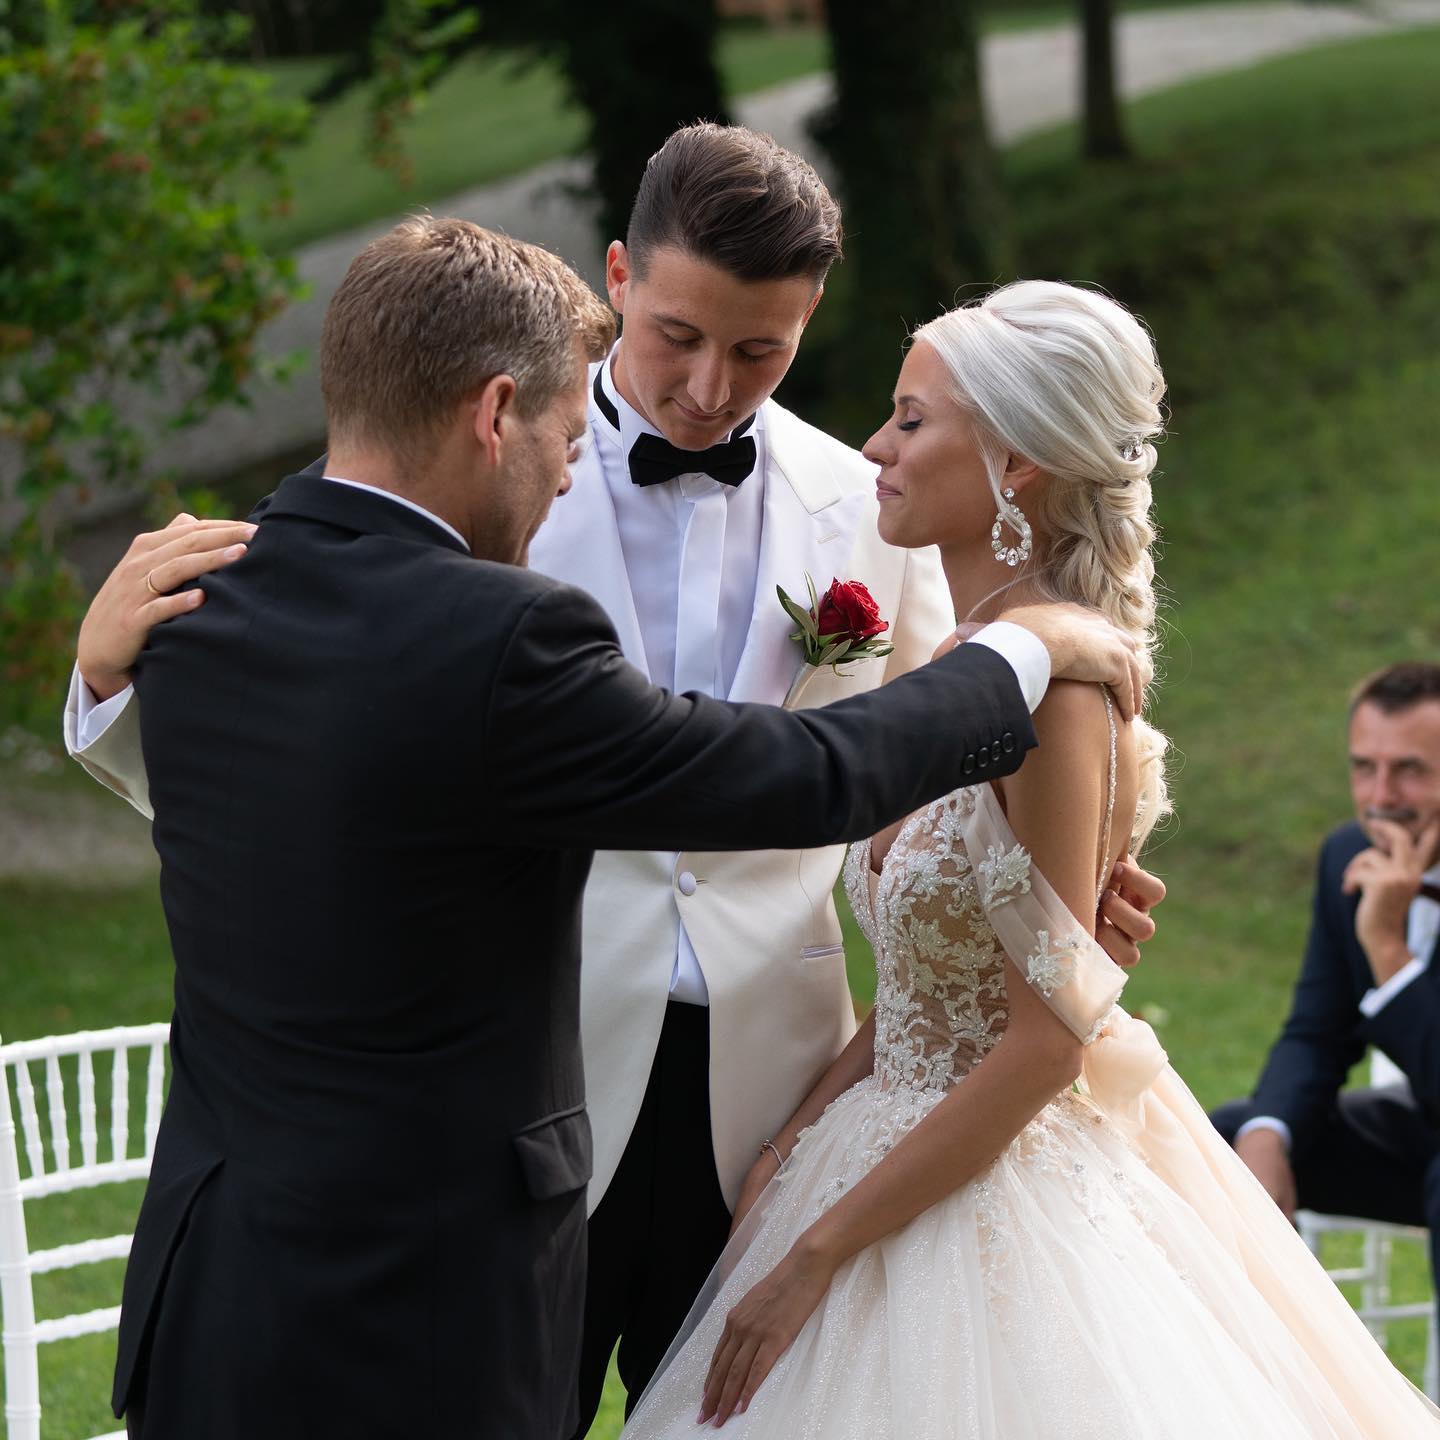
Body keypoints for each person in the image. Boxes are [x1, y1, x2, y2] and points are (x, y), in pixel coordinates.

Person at [63, 123, 1167, 1429]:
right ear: (617, 283)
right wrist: (104, 690)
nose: (708, 389)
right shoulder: (474, 523)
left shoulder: (861, 500)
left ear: (807, 326)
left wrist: (1045, 890)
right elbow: (321, 769)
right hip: (522, 1116)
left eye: (759, 352)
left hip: (766, 1104)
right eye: (677, 336)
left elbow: (933, 774)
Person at [620, 281, 1440, 1438]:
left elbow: (1045, 1042)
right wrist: (794, 1148)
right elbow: (930, 986)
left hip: (997, 1193)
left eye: (912, 420)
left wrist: (817, 1252)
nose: (876, 447)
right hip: (869, 1144)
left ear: (1016, 465)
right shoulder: (954, 664)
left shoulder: (1059, 690)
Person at [1214, 662, 1440, 1330]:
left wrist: (1388, 949)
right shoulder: (1346, 855)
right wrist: (1267, 1131)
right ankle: (1261, 1373)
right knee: (1226, 1139)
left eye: (1410, 770)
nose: (1381, 796)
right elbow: (1316, 1031)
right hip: (1418, 1133)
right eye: (1364, 768)